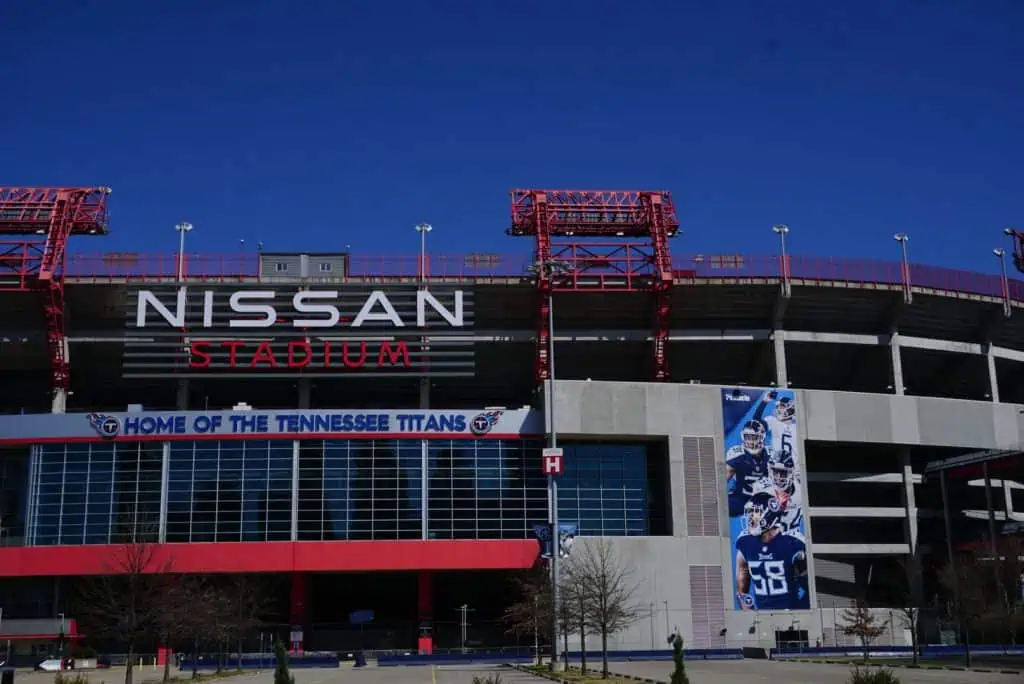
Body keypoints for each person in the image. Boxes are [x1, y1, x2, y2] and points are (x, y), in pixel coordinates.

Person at [735, 482, 809, 610]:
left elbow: (812, 588)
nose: (751, 517)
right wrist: (748, 611)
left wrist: (800, 610)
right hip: (762, 617)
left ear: (769, 513)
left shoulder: (793, 543)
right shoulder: (745, 541)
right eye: (750, 512)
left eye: (755, 512)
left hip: (792, 615)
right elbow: (743, 571)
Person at [726, 419, 771, 517]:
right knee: (723, 505)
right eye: (747, 437)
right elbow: (722, 480)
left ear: (762, 437)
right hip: (741, 498)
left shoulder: (770, 454)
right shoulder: (737, 453)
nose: (750, 441)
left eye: (754, 437)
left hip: (763, 499)